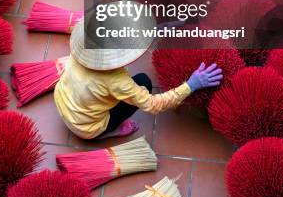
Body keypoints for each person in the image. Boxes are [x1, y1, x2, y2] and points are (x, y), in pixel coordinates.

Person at [54, 19, 223, 140]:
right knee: (144, 82)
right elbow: (153, 105)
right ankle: (107, 132)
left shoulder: (83, 50)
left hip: (64, 102)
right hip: (86, 127)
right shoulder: (117, 81)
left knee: (109, 89)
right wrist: (191, 85)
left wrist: (154, 30)